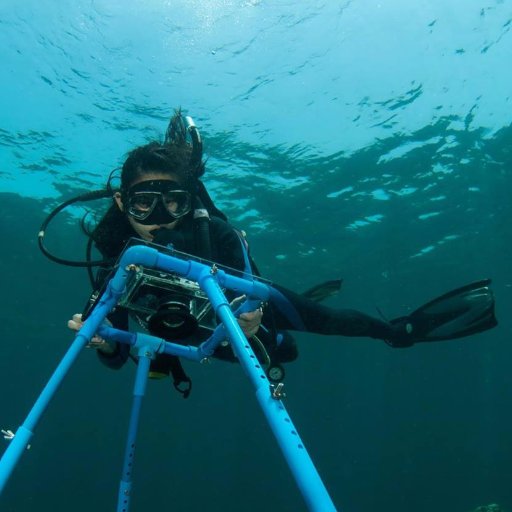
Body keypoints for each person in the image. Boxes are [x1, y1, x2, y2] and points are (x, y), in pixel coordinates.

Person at [67, 110, 498, 396]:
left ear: (190, 199)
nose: (159, 216)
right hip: (185, 333)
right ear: (123, 203)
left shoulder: (213, 233)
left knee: (301, 336)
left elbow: (250, 287)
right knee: (245, 348)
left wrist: (251, 317)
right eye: (144, 202)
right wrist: (104, 341)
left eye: (174, 201)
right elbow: (115, 356)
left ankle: (400, 331)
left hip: (230, 318)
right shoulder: (114, 252)